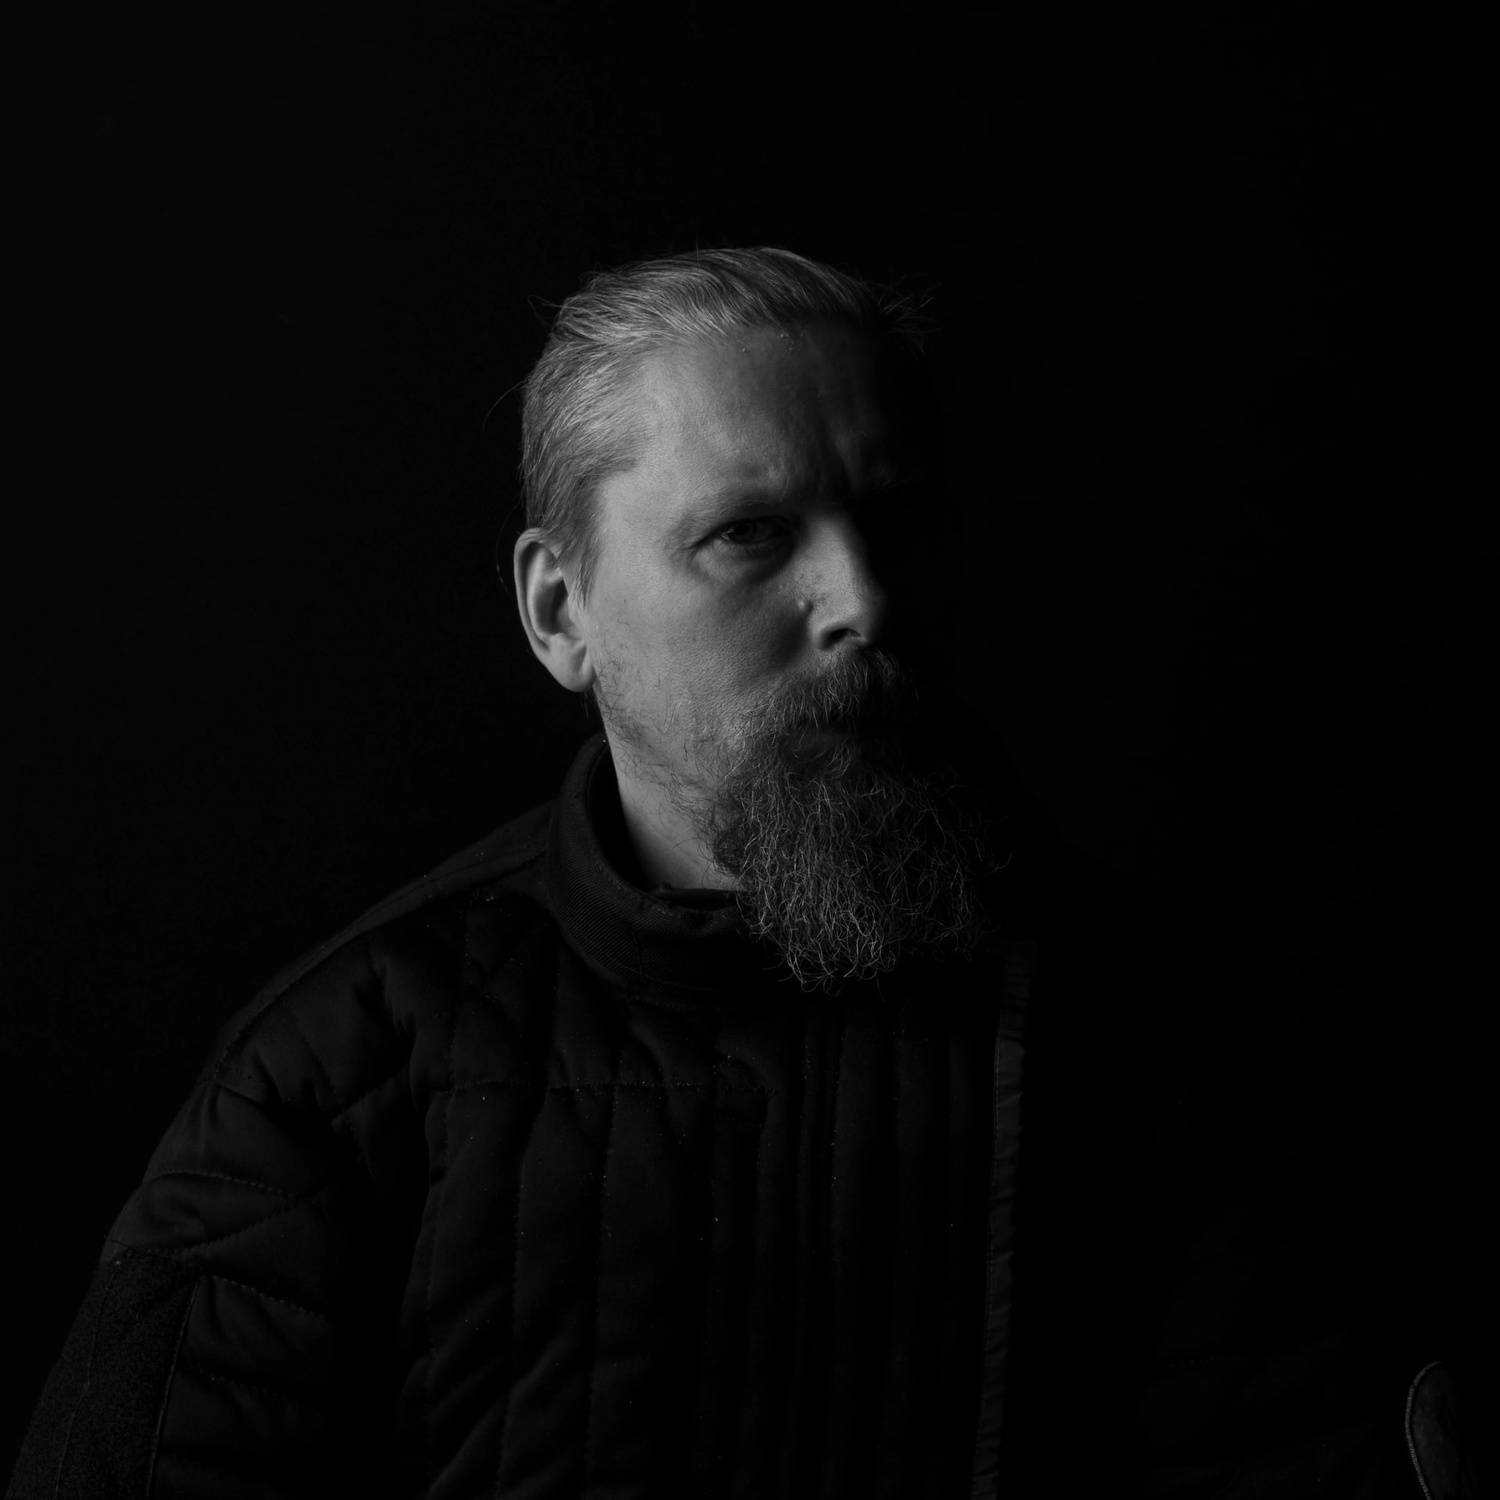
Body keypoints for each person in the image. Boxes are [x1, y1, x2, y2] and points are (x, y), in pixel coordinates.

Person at [9, 249, 1466, 1498]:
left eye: (896, 522)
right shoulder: (331, 1083)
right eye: (749, 536)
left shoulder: (1154, 1031)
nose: (863, 600)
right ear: (560, 609)